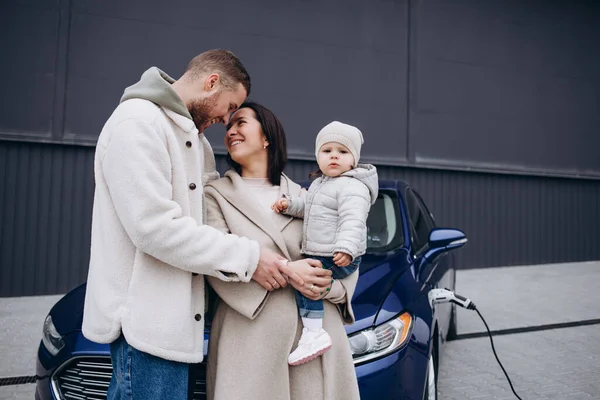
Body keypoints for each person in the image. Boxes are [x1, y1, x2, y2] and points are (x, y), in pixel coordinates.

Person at [81, 50, 304, 400]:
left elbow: (209, 222)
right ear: (211, 82)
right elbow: (153, 228)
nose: (226, 119)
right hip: (145, 324)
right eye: (230, 107)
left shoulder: (196, 143)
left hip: (178, 326)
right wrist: (250, 258)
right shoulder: (138, 122)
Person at [204, 102, 361, 400]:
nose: (231, 130)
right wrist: (291, 272)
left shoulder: (308, 197)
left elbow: (348, 253)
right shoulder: (215, 196)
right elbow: (214, 260)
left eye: (241, 123)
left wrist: (324, 286)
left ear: (267, 138)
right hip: (249, 338)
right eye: (229, 127)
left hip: (313, 340)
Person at [272, 120, 379, 365]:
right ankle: (312, 331)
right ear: (318, 156)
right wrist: (289, 206)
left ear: (354, 159)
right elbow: (310, 209)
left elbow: (353, 220)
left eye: (342, 152)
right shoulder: (321, 184)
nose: (334, 157)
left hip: (338, 254)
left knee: (306, 280)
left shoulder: (353, 186)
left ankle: (313, 333)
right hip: (323, 251)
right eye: (327, 151)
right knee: (306, 276)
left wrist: (347, 248)